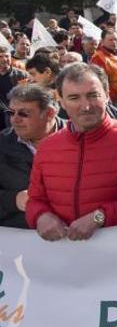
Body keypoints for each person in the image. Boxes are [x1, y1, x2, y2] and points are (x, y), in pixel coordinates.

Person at [26, 63, 117, 240]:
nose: (85, 106)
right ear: (61, 101)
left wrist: (100, 217)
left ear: (107, 96)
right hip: (62, 258)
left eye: (93, 95)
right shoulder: (47, 147)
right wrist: (40, 215)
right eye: (74, 98)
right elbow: (35, 200)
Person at [0, 85, 64, 228]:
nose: (14, 120)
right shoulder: (2, 144)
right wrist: (13, 200)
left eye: (24, 114)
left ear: (49, 113)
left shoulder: (81, 140)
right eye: (11, 113)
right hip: (19, 239)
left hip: (75, 237)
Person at [88, 28, 117, 102]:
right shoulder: (98, 58)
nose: (114, 42)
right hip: (115, 100)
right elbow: (99, 83)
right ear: (102, 41)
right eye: (110, 40)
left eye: (115, 39)